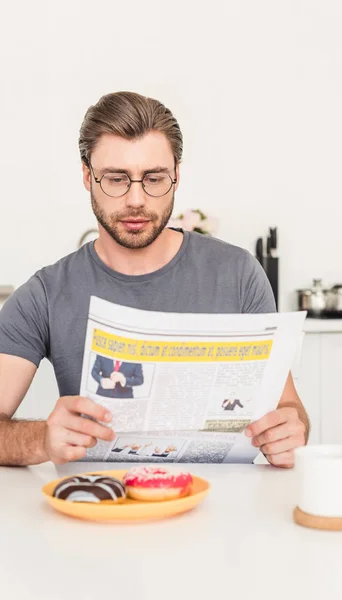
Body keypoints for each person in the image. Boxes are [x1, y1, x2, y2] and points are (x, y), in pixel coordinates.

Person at [0, 91, 309, 469]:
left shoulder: (238, 275)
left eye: (154, 178)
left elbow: (287, 407)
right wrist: (41, 440)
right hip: (101, 514)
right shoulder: (45, 294)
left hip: (225, 517)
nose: (136, 200)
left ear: (177, 174)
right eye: (116, 179)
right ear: (86, 176)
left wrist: (292, 430)